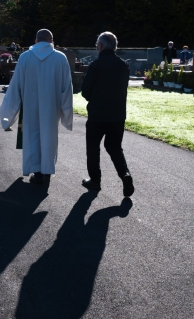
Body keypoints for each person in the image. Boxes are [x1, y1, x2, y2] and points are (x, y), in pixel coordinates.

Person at [0, 29, 73, 184]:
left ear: (35, 41)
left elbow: (15, 86)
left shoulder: (25, 57)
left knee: (32, 136)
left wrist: (8, 112)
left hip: (30, 106)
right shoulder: (60, 58)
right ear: (51, 41)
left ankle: (36, 171)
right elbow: (67, 88)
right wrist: (66, 111)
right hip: (52, 107)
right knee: (49, 137)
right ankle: (47, 171)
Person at [80, 31, 134, 197]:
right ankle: (125, 175)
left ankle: (95, 180)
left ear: (101, 46)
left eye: (97, 44)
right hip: (117, 114)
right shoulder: (123, 65)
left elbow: (85, 92)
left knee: (93, 147)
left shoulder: (95, 65)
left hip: (98, 114)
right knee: (114, 147)